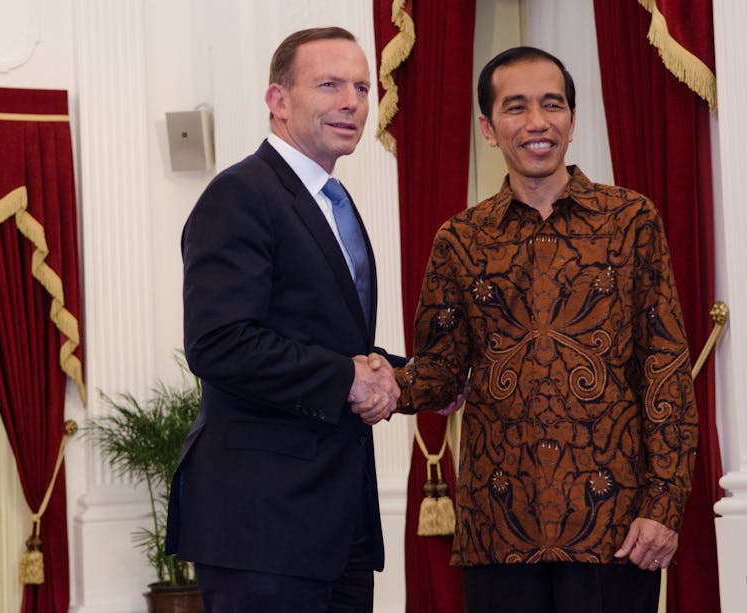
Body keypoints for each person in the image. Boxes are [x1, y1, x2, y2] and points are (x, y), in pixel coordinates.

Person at [394, 47, 698, 613]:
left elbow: (666, 370)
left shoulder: (631, 220)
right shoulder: (459, 239)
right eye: (516, 107)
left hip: (615, 528)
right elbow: (439, 373)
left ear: (572, 120)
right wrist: (376, 381)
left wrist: (664, 505)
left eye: (552, 105)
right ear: (488, 128)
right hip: (497, 529)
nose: (537, 122)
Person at [165, 27, 404, 613]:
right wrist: (350, 378)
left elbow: (328, 341)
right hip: (263, 526)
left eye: (361, 88)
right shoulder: (240, 194)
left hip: (339, 523)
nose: (351, 102)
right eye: (329, 85)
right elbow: (219, 343)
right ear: (278, 99)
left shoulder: (332, 202)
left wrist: (416, 376)